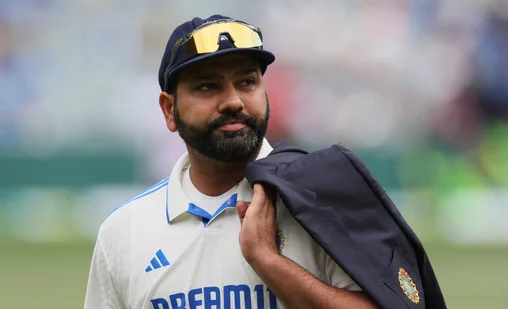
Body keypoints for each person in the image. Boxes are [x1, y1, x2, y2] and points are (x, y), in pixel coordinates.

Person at [83, 14, 378, 309]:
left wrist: (267, 260)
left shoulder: (322, 200)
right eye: (208, 86)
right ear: (169, 110)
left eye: (247, 81)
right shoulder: (123, 232)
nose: (234, 101)